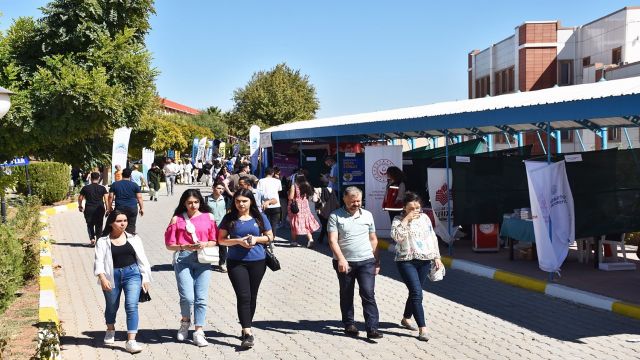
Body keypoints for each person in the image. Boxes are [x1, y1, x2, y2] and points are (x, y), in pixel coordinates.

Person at [217, 189, 274, 349]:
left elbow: (270, 236)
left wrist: (256, 239)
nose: (241, 204)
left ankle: (245, 324)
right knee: (243, 296)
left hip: (258, 261)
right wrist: (237, 241)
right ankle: (248, 332)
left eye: (244, 201)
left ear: (250, 201)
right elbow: (221, 240)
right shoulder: (229, 218)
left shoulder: (259, 217)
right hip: (236, 262)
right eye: (237, 201)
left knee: (252, 295)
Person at [164, 189, 218, 347]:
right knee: (187, 297)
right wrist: (184, 246)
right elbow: (169, 245)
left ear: (200, 202)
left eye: (196, 202)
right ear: (184, 203)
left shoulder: (209, 217)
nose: (193, 205)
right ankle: (185, 322)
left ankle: (199, 331)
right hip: (183, 259)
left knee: (201, 298)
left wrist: (204, 243)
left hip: (203, 259)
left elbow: (214, 240)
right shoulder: (177, 219)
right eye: (189, 203)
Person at [327, 186, 382, 339]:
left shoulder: (368, 215)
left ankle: (372, 328)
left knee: (368, 293)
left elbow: (373, 239)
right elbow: (332, 240)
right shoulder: (335, 216)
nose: (356, 204)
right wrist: (341, 259)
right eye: (353, 201)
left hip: (366, 261)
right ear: (344, 199)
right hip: (345, 263)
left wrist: (377, 261)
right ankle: (349, 324)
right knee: (346, 294)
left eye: (358, 201)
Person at [94, 210, 152, 354]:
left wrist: (145, 278)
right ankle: (110, 329)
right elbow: (98, 261)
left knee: (131, 305)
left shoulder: (134, 238)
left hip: (132, 273)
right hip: (111, 276)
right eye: (119, 221)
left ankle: (131, 340)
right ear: (111, 223)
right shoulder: (102, 241)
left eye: (125, 220)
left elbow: (142, 259)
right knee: (112, 306)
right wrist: (102, 278)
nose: (123, 223)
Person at [390, 192, 443, 341]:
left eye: (417, 208)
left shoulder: (425, 218)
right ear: (404, 208)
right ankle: (423, 329)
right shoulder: (398, 220)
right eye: (411, 208)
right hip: (405, 261)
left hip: (424, 260)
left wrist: (437, 256)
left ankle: (406, 318)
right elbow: (397, 237)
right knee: (417, 293)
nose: (415, 211)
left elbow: (432, 237)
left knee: (415, 292)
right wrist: (406, 220)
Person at [108, 168, 144, 234]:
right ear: (130, 176)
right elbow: (139, 197)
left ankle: (119, 237)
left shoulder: (115, 184)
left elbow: (110, 197)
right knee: (131, 224)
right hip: (132, 208)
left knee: (118, 223)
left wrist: (109, 207)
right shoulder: (135, 185)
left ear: (122, 174)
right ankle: (130, 237)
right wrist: (142, 208)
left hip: (119, 207)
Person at [288, 174, 320, 247]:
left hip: (295, 206)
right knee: (305, 223)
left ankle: (294, 241)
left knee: (293, 223)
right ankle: (310, 239)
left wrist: (289, 192)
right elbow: (309, 194)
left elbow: (291, 197)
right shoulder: (306, 184)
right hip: (305, 206)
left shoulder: (294, 185)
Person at [78, 172, 108, 245]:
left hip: (89, 209)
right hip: (100, 209)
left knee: (90, 224)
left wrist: (80, 206)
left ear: (90, 178)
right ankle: (98, 240)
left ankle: (92, 239)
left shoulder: (85, 188)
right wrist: (108, 208)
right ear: (98, 178)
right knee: (99, 224)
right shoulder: (102, 188)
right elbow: (106, 199)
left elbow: (80, 198)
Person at [207, 181, 229, 272]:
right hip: (209, 226)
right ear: (213, 188)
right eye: (219, 188)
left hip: (222, 225)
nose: (221, 190)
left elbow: (228, 212)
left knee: (222, 244)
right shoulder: (206, 199)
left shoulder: (226, 199)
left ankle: (222, 263)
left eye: (222, 189)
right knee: (208, 244)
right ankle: (206, 262)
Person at [313, 178, 339, 244]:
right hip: (331, 210)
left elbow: (314, 200)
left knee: (325, 225)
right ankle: (321, 239)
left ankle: (330, 240)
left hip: (321, 210)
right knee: (326, 225)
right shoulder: (331, 190)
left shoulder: (317, 190)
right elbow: (336, 201)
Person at [257, 167, 282, 232]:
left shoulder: (261, 181)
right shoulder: (278, 181)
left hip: (264, 205)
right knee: (274, 223)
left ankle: (267, 238)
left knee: (265, 223)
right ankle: (272, 238)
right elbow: (279, 191)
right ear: (273, 173)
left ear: (265, 173)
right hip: (276, 204)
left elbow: (258, 192)